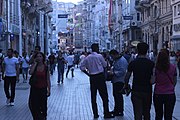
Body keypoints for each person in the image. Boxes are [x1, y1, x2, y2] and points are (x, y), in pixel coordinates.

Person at [80, 43, 114, 119]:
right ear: (96, 48)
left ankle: (95, 114)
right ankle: (106, 113)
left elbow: (81, 67)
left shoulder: (87, 58)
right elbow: (105, 65)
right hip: (100, 77)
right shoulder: (99, 56)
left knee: (93, 96)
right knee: (104, 96)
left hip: (92, 77)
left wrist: (88, 74)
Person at [124, 42, 155, 120]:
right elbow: (153, 79)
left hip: (136, 90)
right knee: (147, 112)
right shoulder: (151, 63)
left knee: (137, 113)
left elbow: (127, 76)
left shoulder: (133, 63)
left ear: (137, 50)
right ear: (147, 51)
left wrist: (126, 85)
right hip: (147, 90)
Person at [153, 49, 177, 120]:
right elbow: (174, 81)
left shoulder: (155, 68)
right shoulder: (173, 67)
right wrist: (170, 87)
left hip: (158, 93)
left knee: (158, 115)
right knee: (168, 115)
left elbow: (153, 81)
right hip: (170, 94)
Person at [28, 52, 51, 120]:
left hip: (43, 89)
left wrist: (49, 89)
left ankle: (43, 117)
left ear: (43, 58)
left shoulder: (46, 67)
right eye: (37, 56)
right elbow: (30, 72)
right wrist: (35, 64)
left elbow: (48, 79)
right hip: (34, 88)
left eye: (40, 56)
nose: (39, 58)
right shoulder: (34, 66)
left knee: (43, 106)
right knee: (34, 105)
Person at [109, 49, 128, 116]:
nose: (112, 58)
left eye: (112, 56)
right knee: (115, 95)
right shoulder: (117, 60)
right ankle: (116, 109)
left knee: (118, 96)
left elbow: (122, 71)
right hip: (116, 80)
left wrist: (113, 73)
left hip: (120, 80)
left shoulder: (122, 61)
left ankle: (120, 110)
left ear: (115, 54)